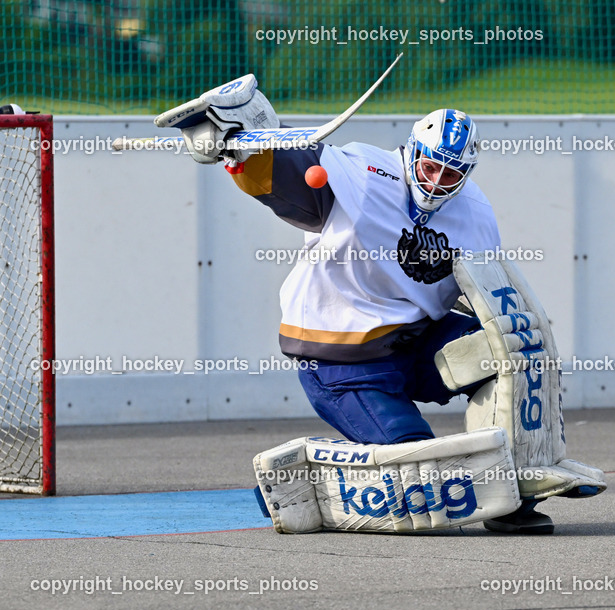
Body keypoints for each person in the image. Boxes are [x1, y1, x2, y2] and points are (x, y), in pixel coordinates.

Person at [156, 77, 566, 533]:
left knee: (510, 355)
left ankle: (516, 488)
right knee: (419, 466)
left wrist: (517, 335)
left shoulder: (475, 212)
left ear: (467, 174)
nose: (436, 181)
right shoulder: (367, 172)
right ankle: (308, 478)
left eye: (450, 174)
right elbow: (297, 178)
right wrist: (243, 151)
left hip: (414, 345)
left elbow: (479, 288)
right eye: (429, 166)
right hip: (341, 361)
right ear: (410, 151)